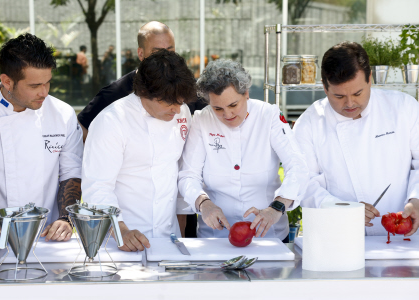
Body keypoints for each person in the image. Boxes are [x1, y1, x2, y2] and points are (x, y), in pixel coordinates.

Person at [293, 42, 419, 236]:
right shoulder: (309, 123)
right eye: (339, 96)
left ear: (370, 79)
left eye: (358, 93)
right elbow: (304, 184)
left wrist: (416, 200)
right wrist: (342, 209)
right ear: (325, 87)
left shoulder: (404, 108)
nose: (350, 103)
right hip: (338, 236)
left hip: (403, 237)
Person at [178, 59, 309, 240]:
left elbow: (297, 165)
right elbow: (188, 175)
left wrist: (277, 207)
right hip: (216, 237)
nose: (227, 114)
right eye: (218, 108)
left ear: (246, 93)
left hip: (269, 235)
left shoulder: (268, 115)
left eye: (233, 105)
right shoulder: (202, 120)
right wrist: (203, 203)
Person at [81, 50, 197, 251]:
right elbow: (97, 187)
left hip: (169, 239)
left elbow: (179, 171)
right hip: (121, 241)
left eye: (180, 102)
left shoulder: (181, 112)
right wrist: (121, 230)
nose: (177, 110)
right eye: (169, 102)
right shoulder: (112, 121)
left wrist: (181, 231)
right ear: (144, 92)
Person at [0, 33, 83, 244]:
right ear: (7, 81)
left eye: (47, 83)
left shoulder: (62, 114)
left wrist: (65, 219)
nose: (44, 92)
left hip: (45, 239)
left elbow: (71, 173)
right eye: (34, 86)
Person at [77, 21, 207, 143]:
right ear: (140, 54)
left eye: (170, 51)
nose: (165, 57)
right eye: (157, 52)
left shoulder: (186, 85)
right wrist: (109, 146)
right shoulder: (115, 92)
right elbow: (80, 128)